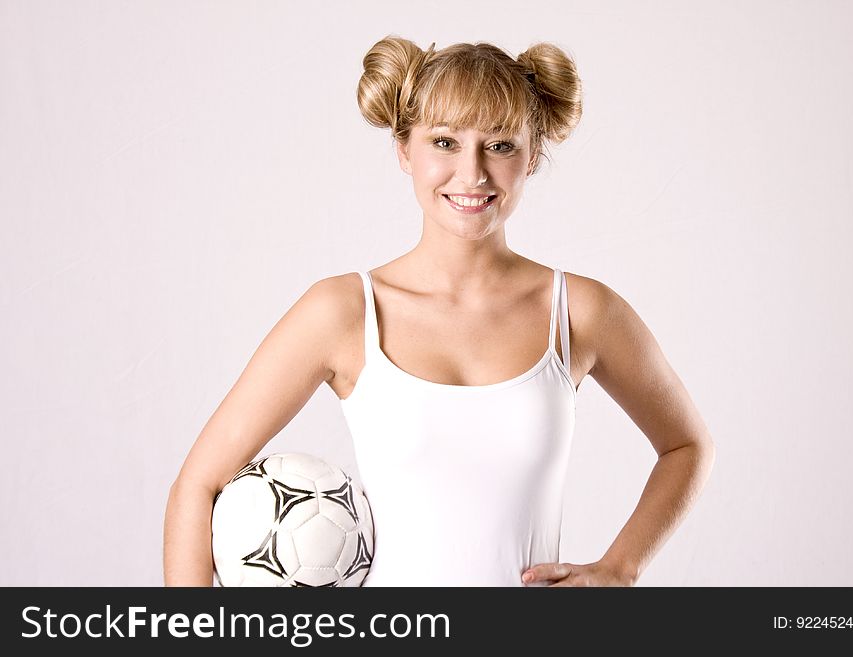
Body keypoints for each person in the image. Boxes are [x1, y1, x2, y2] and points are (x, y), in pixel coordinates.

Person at [163, 35, 715, 587]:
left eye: (499, 145)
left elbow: (688, 446)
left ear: (533, 154)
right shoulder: (344, 312)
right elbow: (199, 485)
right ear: (404, 150)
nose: (472, 173)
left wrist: (619, 569)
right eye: (445, 142)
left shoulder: (578, 312)